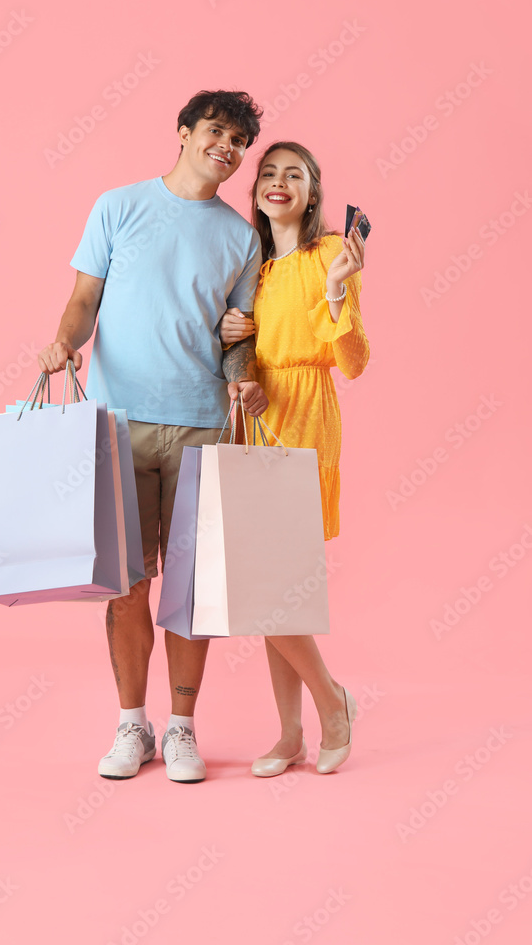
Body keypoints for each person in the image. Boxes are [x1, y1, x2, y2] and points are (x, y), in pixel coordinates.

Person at [37, 90, 268, 783]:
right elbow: (85, 299)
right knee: (127, 586)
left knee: (192, 590)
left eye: (237, 140)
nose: (225, 146)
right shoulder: (119, 205)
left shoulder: (240, 236)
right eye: (215, 131)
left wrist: (244, 364)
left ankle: (181, 731)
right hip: (119, 423)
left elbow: (237, 335)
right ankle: (130, 727)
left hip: (202, 423)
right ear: (183, 132)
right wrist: (63, 343)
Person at [220, 141, 369, 776]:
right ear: (255, 191)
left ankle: (332, 703)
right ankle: (289, 735)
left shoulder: (330, 254)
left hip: (306, 420)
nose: (279, 182)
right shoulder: (251, 266)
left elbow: (355, 362)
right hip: (257, 420)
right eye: (270, 173)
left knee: (274, 587)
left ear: (312, 195)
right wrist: (235, 352)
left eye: (296, 175)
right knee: (267, 587)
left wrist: (337, 295)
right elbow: (240, 349)